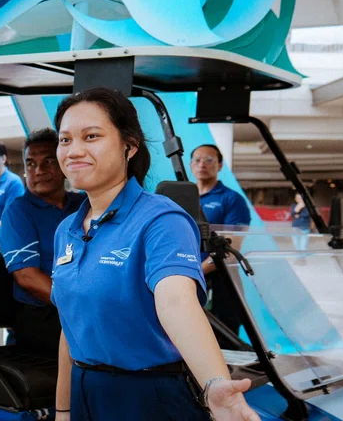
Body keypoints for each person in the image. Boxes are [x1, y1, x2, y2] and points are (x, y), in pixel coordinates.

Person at [51, 88, 260, 421]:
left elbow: (176, 302)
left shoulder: (162, 219)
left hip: (150, 395)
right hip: (86, 389)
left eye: (91, 136)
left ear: (129, 146)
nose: (74, 151)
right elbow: (70, 324)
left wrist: (216, 383)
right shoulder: (67, 230)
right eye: (65, 140)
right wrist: (63, 410)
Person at [0, 128, 84, 358]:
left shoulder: (83, 204)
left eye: (48, 162)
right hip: (43, 313)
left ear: (64, 165)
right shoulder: (19, 211)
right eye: (30, 164)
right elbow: (26, 277)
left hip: (84, 304)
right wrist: (80, 306)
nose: (39, 171)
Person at [191, 144, 251, 335]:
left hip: (219, 285)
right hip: (189, 281)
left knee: (223, 342)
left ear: (220, 165)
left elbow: (228, 251)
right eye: (197, 160)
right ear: (191, 165)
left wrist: (196, 273)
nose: (202, 164)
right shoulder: (183, 198)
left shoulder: (232, 200)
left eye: (209, 160)